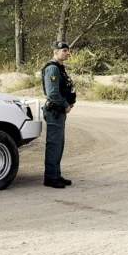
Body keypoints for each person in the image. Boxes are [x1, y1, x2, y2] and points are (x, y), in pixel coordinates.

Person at [41, 41, 76, 188]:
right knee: (54, 145)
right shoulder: (52, 69)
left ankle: (56, 175)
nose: (67, 53)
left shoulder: (60, 68)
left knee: (59, 144)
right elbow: (53, 93)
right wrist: (65, 105)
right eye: (64, 51)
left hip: (59, 112)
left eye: (68, 51)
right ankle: (50, 178)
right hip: (55, 111)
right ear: (55, 52)